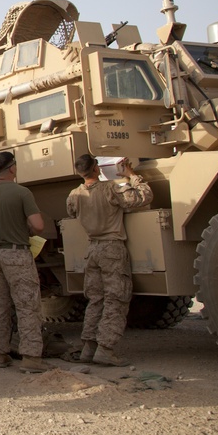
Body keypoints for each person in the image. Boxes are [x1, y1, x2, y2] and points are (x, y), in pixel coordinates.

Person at [66, 154, 152, 367]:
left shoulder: (74, 195)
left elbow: (71, 211)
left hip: (92, 250)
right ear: (96, 169)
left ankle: (89, 347)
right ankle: (106, 348)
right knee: (116, 299)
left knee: (96, 300)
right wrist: (131, 175)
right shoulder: (111, 189)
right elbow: (143, 196)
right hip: (112, 248)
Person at [0, 151, 51, 373]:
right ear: (12, 168)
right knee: (27, 305)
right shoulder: (22, 193)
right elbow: (37, 226)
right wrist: (20, 230)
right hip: (17, 254)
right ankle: (31, 358)